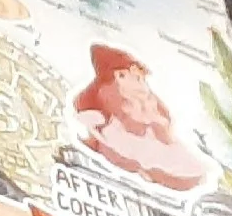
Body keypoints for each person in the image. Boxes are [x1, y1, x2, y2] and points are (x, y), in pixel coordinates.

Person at [75, 43, 212, 190]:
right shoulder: (112, 124)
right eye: (135, 78)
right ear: (119, 77)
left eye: (141, 79)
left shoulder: (152, 113)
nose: (142, 85)